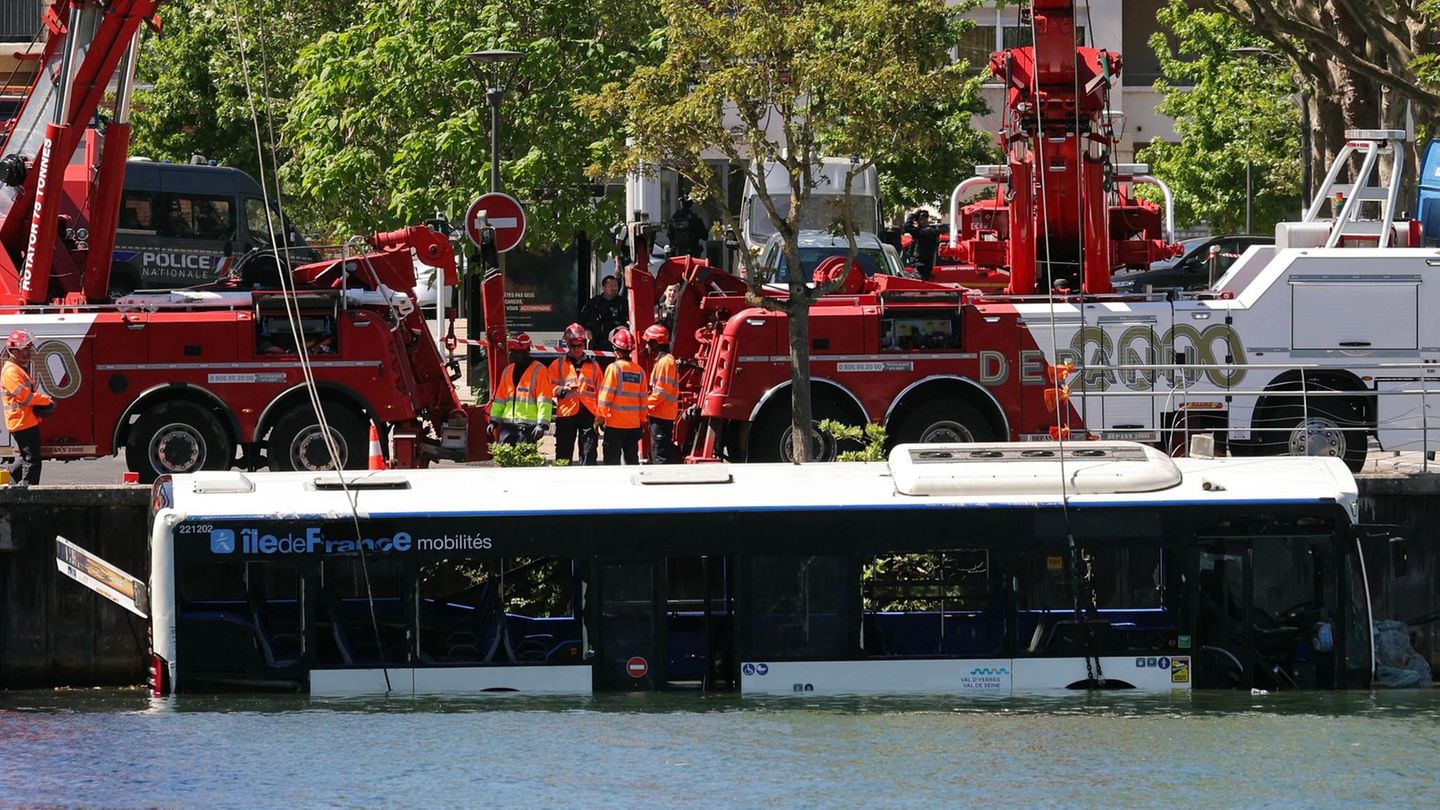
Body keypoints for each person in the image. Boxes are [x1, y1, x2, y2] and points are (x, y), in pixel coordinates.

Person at [3, 330, 54, 486]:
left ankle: (9, 477)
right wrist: (46, 401)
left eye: (28, 349)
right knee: (32, 460)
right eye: (24, 349)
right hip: (21, 422)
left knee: (28, 457)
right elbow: (25, 397)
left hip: (24, 421)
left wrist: (44, 400)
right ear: (13, 351)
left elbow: (29, 393)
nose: (28, 353)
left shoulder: (17, 369)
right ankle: (28, 493)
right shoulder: (11, 372)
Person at [549, 323, 602, 465]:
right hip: (566, 413)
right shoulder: (557, 365)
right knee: (563, 454)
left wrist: (601, 416)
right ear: (567, 345)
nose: (577, 349)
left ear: (584, 344)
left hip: (589, 413)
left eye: (580, 345)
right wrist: (560, 390)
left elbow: (601, 392)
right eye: (573, 346)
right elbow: (547, 387)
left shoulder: (594, 366)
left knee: (589, 452)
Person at [489, 333, 553, 445]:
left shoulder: (539, 370)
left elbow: (544, 400)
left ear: (525, 352)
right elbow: (500, 399)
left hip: (528, 428)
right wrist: (494, 421)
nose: (512, 354)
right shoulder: (507, 371)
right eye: (511, 351)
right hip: (508, 426)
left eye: (515, 352)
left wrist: (542, 424)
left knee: (525, 460)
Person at [596, 327, 646, 465]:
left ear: (615, 349)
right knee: (631, 462)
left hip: (615, 426)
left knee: (611, 463)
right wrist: (641, 421)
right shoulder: (639, 371)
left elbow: (606, 396)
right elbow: (643, 400)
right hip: (634, 425)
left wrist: (600, 417)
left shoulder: (614, 368)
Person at [642, 324, 680, 464]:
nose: (646, 347)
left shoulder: (665, 363)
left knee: (660, 456)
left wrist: (644, 405)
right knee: (656, 453)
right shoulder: (663, 362)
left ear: (654, 343)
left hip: (662, 415)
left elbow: (661, 392)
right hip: (660, 414)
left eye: (648, 343)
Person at [579, 275, 629, 352]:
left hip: (617, 344)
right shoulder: (594, 302)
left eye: (615, 285)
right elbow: (582, 319)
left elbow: (630, 320)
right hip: (597, 343)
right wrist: (586, 330)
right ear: (603, 288)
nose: (614, 288)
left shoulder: (623, 302)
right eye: (611, 286)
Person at [903, 208, 940, 281]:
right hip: (919, 268)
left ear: (922, 221)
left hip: (922, 268)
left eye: (917, 221)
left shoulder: (928, 232)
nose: (916, 224)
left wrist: (912, 215)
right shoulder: (922, 233)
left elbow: (907, 227)